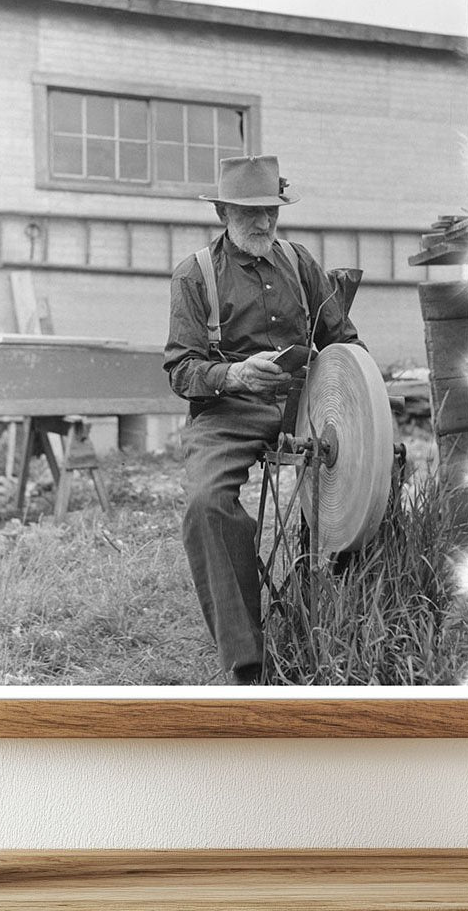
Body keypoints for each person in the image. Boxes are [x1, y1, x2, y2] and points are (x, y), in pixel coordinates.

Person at [163, 155, 366, 684]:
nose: (264, 223)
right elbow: (181, 370)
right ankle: (247, 662)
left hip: (305, 404)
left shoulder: (300, 262)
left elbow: (343, 342)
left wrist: (353, 396)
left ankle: (342, 610)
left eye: (271, 211)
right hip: (228, 410)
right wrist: (233, 377)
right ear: (224, 212)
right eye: (251, 212)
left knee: (372, 467)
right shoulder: (195, 274)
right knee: (206, 503)